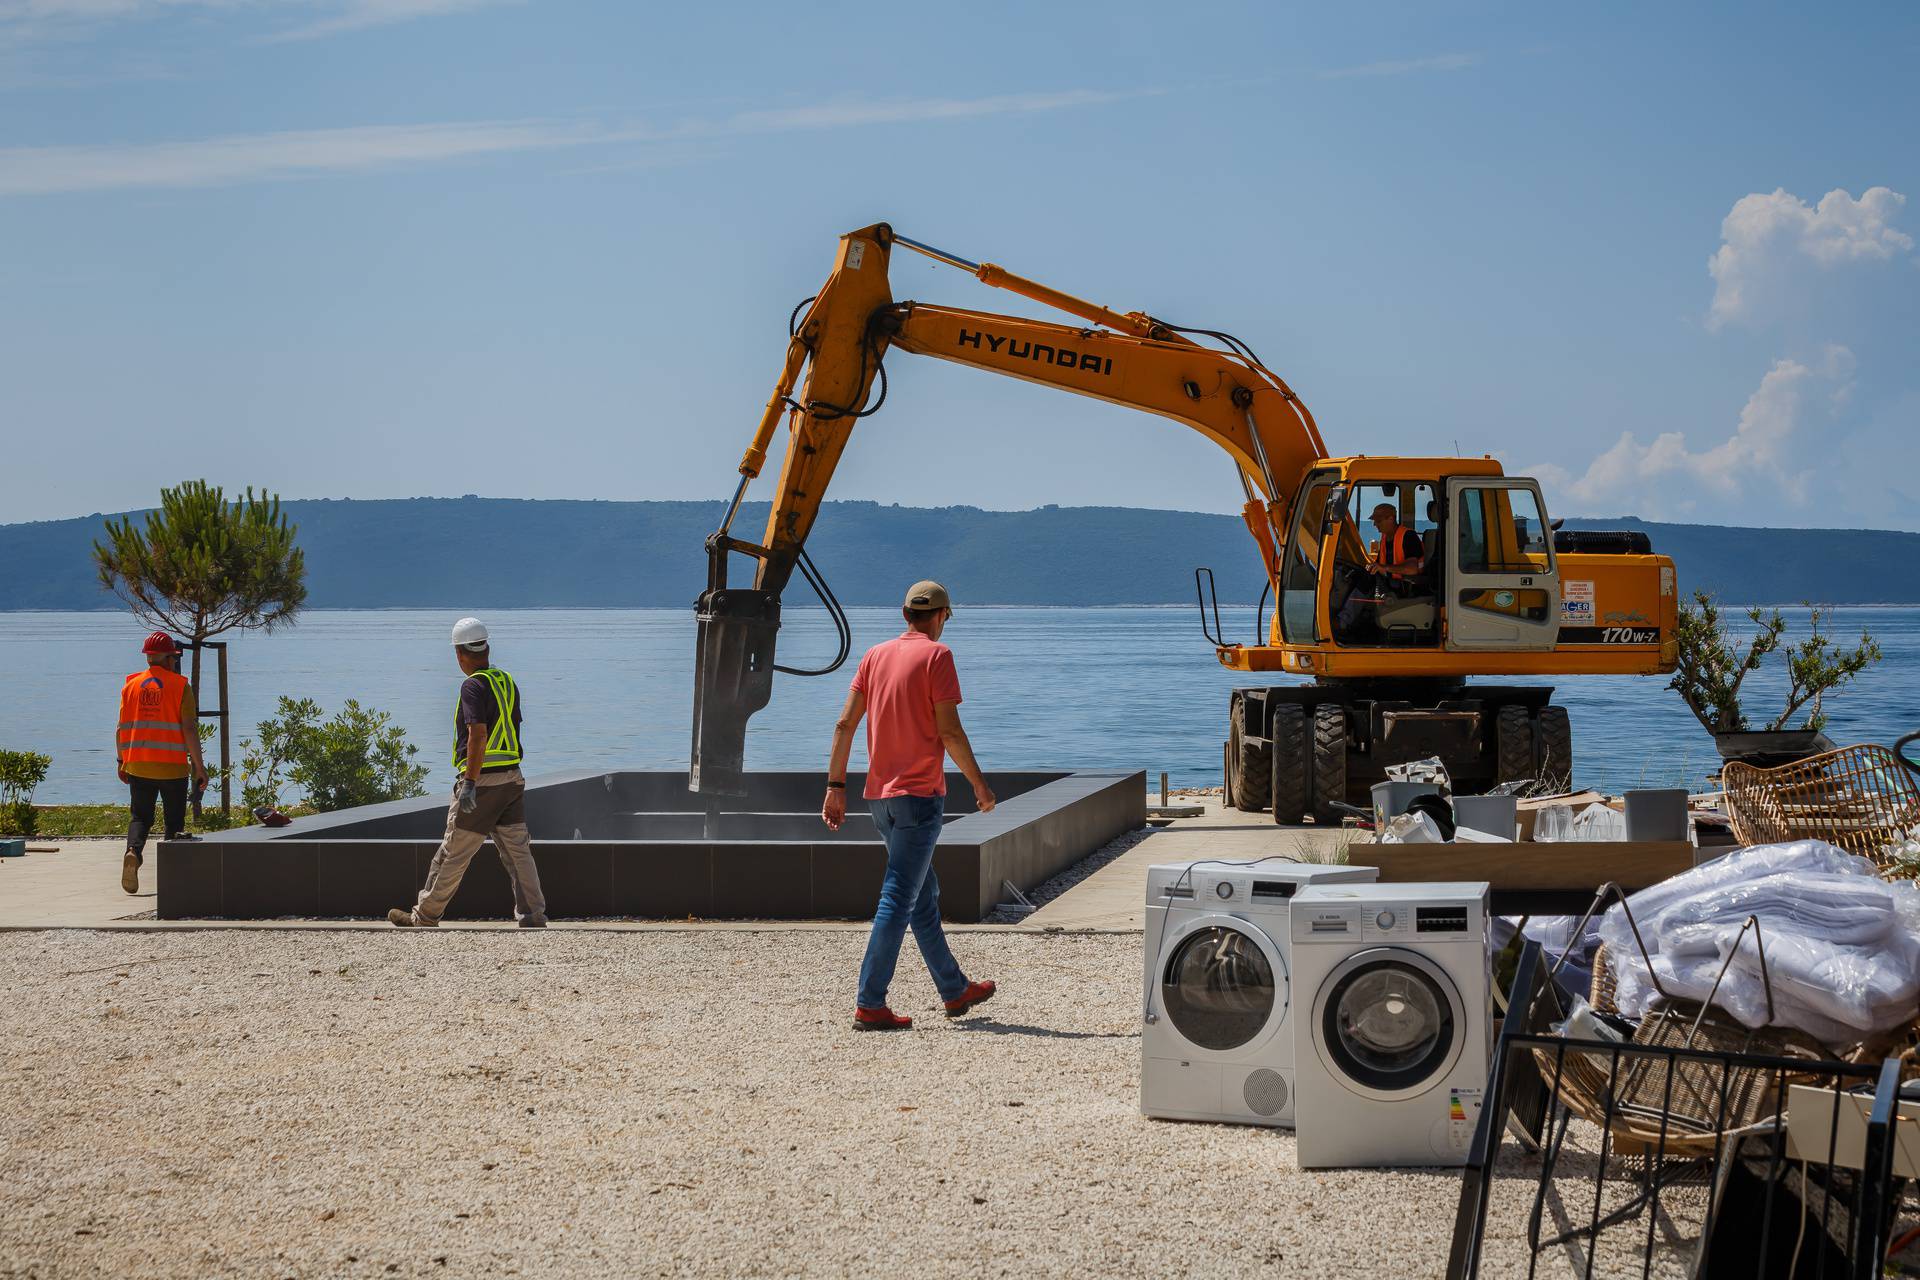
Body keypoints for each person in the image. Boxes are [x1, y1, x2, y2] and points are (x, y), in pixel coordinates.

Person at [822, 580, 998, 1031]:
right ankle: (870, 1001)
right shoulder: (938, 656)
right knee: (899, 897)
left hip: (879, 799)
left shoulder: (874, 655)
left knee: (921, 895)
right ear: (941, 616)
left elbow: (845, 723)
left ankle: (954, 989)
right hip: (919, 798)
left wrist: (835, 786)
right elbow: (950, 733)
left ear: (905, 615)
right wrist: (980, 785)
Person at [388, 617, 548, 928]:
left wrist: (470, 783)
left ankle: (424, 916)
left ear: (460, 653)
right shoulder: (506, 681)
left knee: (453, 852)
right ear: (486, 648)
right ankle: (534, 916)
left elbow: (478, 733)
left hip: (482, 782)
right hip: (512, 778)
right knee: (518, 853)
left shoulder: (472, 685)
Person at [116, 631, 208, 894]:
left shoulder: (130, 686)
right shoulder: (180, 686)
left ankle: (133, 851)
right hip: (172, 766)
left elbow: (120, 729)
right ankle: (172, 878)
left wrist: (121, 760)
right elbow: (189, 728)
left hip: (138, 764)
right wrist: (199, 767)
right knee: (174, 822)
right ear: (168, 658)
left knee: (140, 816)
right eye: (174, 658)